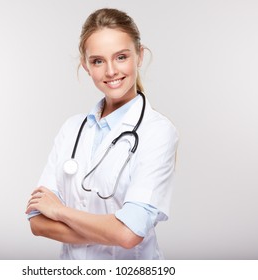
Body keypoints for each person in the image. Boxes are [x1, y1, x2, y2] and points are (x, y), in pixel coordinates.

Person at [25, 8, 179, 260]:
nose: (110, 71)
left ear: (139, 56)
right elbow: (37, 222)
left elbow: (130, 234)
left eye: (121, 57)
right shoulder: (71, 129)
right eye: (98, 60)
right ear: (85, 65)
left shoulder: (158, 132)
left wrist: (61, 212)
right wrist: (113, 230)